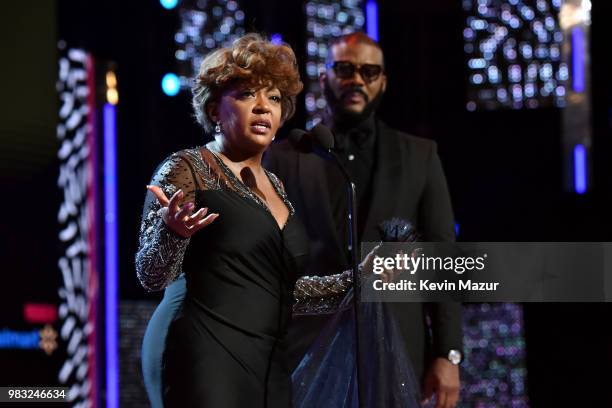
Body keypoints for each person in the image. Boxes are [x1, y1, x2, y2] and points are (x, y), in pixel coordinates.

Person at [136, 34, 361, 407]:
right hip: (200, 348)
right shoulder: (186, 168)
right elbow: (150, 275)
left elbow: (285, 294)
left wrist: (361, 280)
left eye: (273, 98)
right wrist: (172, 234)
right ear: (213, 110)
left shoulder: (276, 186)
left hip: (266, 359)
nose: (263, 108)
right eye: (246, 95)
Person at [264, 32, 464, 408]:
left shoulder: (421, 155)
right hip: (306, 352)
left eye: (369, 71)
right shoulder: (285, 157)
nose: (357, 79)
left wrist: (448, 353)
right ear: (324, 78)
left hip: (399, 350)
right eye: (345, 69)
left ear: (383, 81)